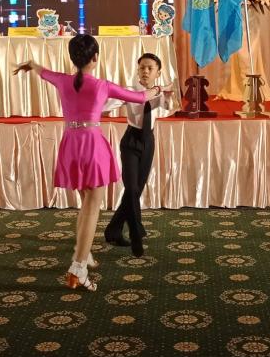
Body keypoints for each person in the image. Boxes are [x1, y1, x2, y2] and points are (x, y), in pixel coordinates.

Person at [13, 35, 169, 292]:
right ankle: (78, 268)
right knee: (92, 208)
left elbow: (44, 72)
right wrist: (158, 90)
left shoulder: (62, 80)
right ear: (95, 58)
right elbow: (140, 97)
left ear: (73, 58)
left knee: (85, 204)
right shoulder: (101, 85)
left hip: (70, 146)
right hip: (92, 146)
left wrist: (31, 64)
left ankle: (83, 254)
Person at [103, 53, 176, 257]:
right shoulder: (130, 91)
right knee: (132, 188)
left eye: (150, 68)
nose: (145, 71)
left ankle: (113, 230)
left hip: (148, 141)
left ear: (158, 73)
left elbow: (168, 107)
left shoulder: (158, 91)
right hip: (131, 141)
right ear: (137, 70)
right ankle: (136, 233)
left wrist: (168, 95)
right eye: (142, 67)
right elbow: (107, 106)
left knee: (135, 191)